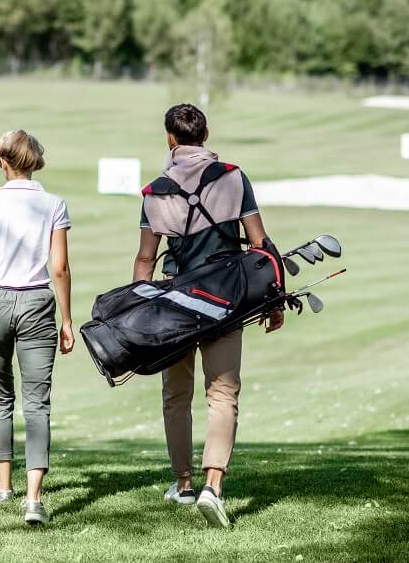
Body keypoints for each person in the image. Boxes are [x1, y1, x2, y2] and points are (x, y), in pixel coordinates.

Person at [132, 104, 284, 528]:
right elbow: (259, 243)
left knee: (175, 395)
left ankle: (183, 483)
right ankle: (212, 486)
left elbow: (145, 259)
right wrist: (274, 300)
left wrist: (139, 307)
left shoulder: (155, 191)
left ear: (170, 138)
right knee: (223, 394)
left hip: (173, 303)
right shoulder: (234, 177)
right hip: (225, 300)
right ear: (207, 134)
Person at [0, 130, 74, 526]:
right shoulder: (54, 204)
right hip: (37, 303)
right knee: (37, 401)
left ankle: (3, 486)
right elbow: (59, 268)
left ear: (2, 163)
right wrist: (66, 319)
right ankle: (33, 499)